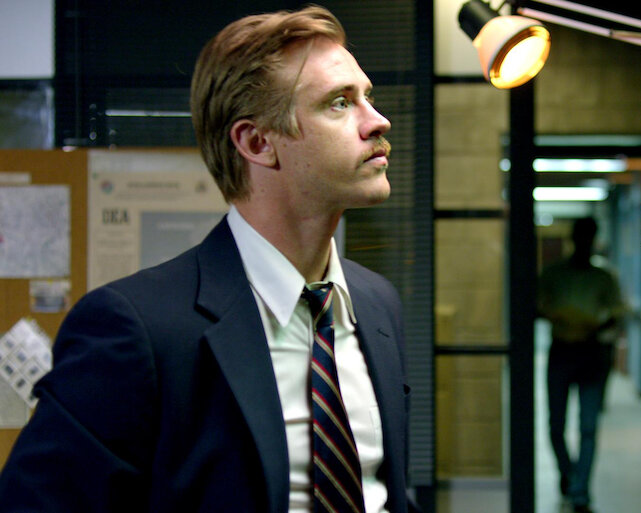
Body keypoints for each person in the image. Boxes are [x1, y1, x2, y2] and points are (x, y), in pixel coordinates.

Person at [0, 6, 418, 513]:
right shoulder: (135, 330)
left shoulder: (376, 305)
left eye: (367, 97)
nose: (378, 121)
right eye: (339, 103)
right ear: (257, 142)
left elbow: (379, 494)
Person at [538, 217, 626, 513]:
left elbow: (616, 313)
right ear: (573, 239)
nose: (585, 243)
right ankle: (570, 474)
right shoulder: (554, 274)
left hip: (591, 352)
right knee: (555, 426)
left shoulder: (603, 277)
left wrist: (596, 324)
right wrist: (560, 316)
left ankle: (580, 492)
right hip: (562, 351)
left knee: (588, 427)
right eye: (581, 237)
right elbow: (537, 306)